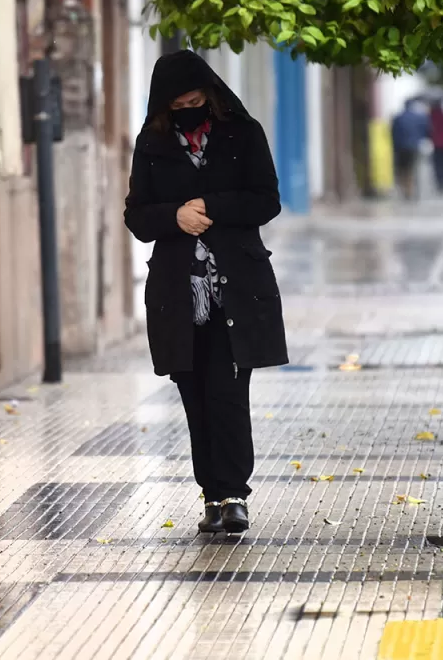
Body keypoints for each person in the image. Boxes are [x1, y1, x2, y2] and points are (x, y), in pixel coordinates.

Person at [124, 50, 288, 535]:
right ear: (164, 106)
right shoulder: (151, 143)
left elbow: (267, 200)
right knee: (194, 397)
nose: (189, 110)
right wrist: (174, 216)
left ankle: (235, 493)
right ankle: (211, 496)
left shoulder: (244, 132)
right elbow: (137, 215)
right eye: (179, 105)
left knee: (228, 392)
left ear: (211, 94)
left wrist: (210, 206)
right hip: (179, 296)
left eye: (196, 100)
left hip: (235, 291)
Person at [391, 98, 430, 201]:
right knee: (413, 169)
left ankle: (406, 189)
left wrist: (395, 147)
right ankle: (413, 190)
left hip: (401, 147)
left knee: (403, 169)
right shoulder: (419, 117)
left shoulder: (398, 117)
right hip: (414, 146)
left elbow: (393, 133)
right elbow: (427, 130)